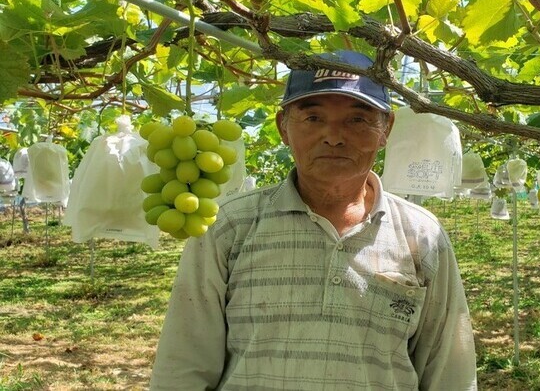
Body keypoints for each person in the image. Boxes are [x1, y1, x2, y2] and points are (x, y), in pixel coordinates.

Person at [149, 50, 477, 390]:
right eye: (313, 118)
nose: (333, 136)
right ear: (283, 128)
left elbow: (448, 368)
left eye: (357, 120)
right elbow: (183, 363)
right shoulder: (230, 226)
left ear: (386, 129)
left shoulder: (422, 235)